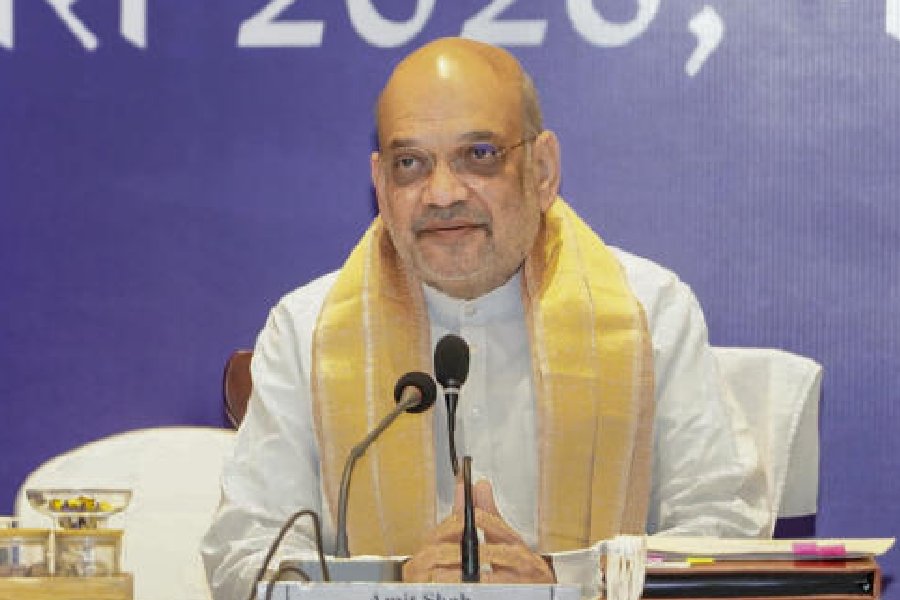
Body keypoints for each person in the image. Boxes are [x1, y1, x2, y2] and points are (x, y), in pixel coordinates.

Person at [201, 37, 770, 597]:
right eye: (410, 164)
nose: (442, 193)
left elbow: (726, 537)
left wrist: (564, 588)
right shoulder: (309, 332)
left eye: (479, 155)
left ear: (542, 170)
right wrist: (395, 587)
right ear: (380, 184)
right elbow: (245, 558)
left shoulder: (651, 313)